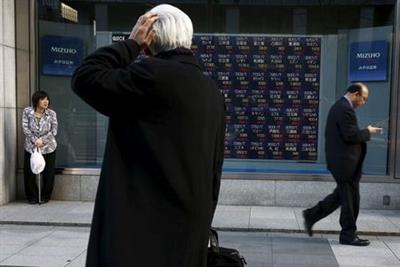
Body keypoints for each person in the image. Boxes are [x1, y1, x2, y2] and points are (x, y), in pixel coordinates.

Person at [71, 4, 225, 267]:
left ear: (149, 36)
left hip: (139, 234)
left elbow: (85, 77)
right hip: (188, 230)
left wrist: (130, 45)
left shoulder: (149, 77)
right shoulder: (211, 91)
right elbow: (215, 169)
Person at [302, 83, 382, 246]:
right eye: (363, 99)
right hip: (345, 165)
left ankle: (311, 215)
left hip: (342, 163)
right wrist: (368, 131)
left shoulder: (340, 106)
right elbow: (351, 136)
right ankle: (348, 235)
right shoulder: (345, 109)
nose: (363, 103)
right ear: (355, 94)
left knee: (341, 196)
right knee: (351, 201)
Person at [22, 91, 58, 204]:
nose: (45, 101)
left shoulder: (51, 113)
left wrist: (42, 140)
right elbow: (25, 128)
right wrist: (35, 140)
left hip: (48, 147)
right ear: (36, 100)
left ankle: (45, 196)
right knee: (30, 173)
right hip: (31, 147)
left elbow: (54, 130)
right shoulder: (27, 112)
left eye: (47, 99)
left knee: (48, 173)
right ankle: (32, 197)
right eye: (42, 99)